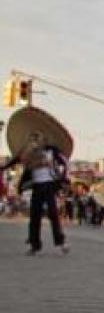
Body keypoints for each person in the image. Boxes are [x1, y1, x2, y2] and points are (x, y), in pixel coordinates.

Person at [1, 107, 73, 255]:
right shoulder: (28, 153)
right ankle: (35, 244)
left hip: (49, 185)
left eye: (38, 137)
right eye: (33, 137)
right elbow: (16, 160)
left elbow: (65, 163)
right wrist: (3, 167)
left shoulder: (52, 151)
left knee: (53, 213)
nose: (36, 139)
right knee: (35, 215)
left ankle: (60, 241)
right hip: (37, 186)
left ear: (44, 138)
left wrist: (64, 178)